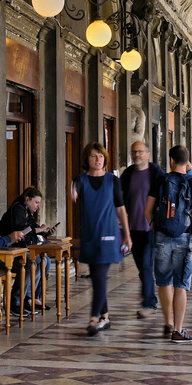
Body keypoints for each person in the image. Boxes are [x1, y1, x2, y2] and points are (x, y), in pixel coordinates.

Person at [146, 144, 192, 342]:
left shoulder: (160, 180)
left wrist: (156, 230)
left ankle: (168, 323)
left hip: (162, 237)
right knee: (181, 284)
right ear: (187, 160)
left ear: (171, 160)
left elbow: (147, 211)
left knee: (164, 282)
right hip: (186, 237)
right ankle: (179, 330)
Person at [70, 142, 132, 336]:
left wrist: (128, 235)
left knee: (99, 277)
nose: (98, 160)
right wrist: (73, 192)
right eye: (93, 156)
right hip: (90, 236)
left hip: (109, 235)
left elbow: (121, 209)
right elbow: (74, 191)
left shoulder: (113, 181)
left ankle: (94, 318)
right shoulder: (80, 179)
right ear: (87, 159)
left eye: (101, 156)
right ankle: (105, 316)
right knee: (97, 278)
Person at [119, 140, 165, 319]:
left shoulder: (156, 173)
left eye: (139, 152)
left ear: (148, 154)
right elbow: (120, 198)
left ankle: (149, 303)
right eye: (133, 152)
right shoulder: (128, 173)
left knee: (146, 266)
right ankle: (150, 298)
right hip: (134, 228)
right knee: (142, 267)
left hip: (151, 229)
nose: (136, 155)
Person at [0, 186, 56, 311]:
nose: (38, 206)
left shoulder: (26, 211)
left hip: (19, 249)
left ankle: (31, 297)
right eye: (36, 202)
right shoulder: (17, 209)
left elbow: (32, 227)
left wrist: (46, 234)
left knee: (46, 261)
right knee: (34, 261)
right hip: (8, 251)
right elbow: (22, 231)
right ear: (27, 199)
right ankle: (17, 301)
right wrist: (40, 229)